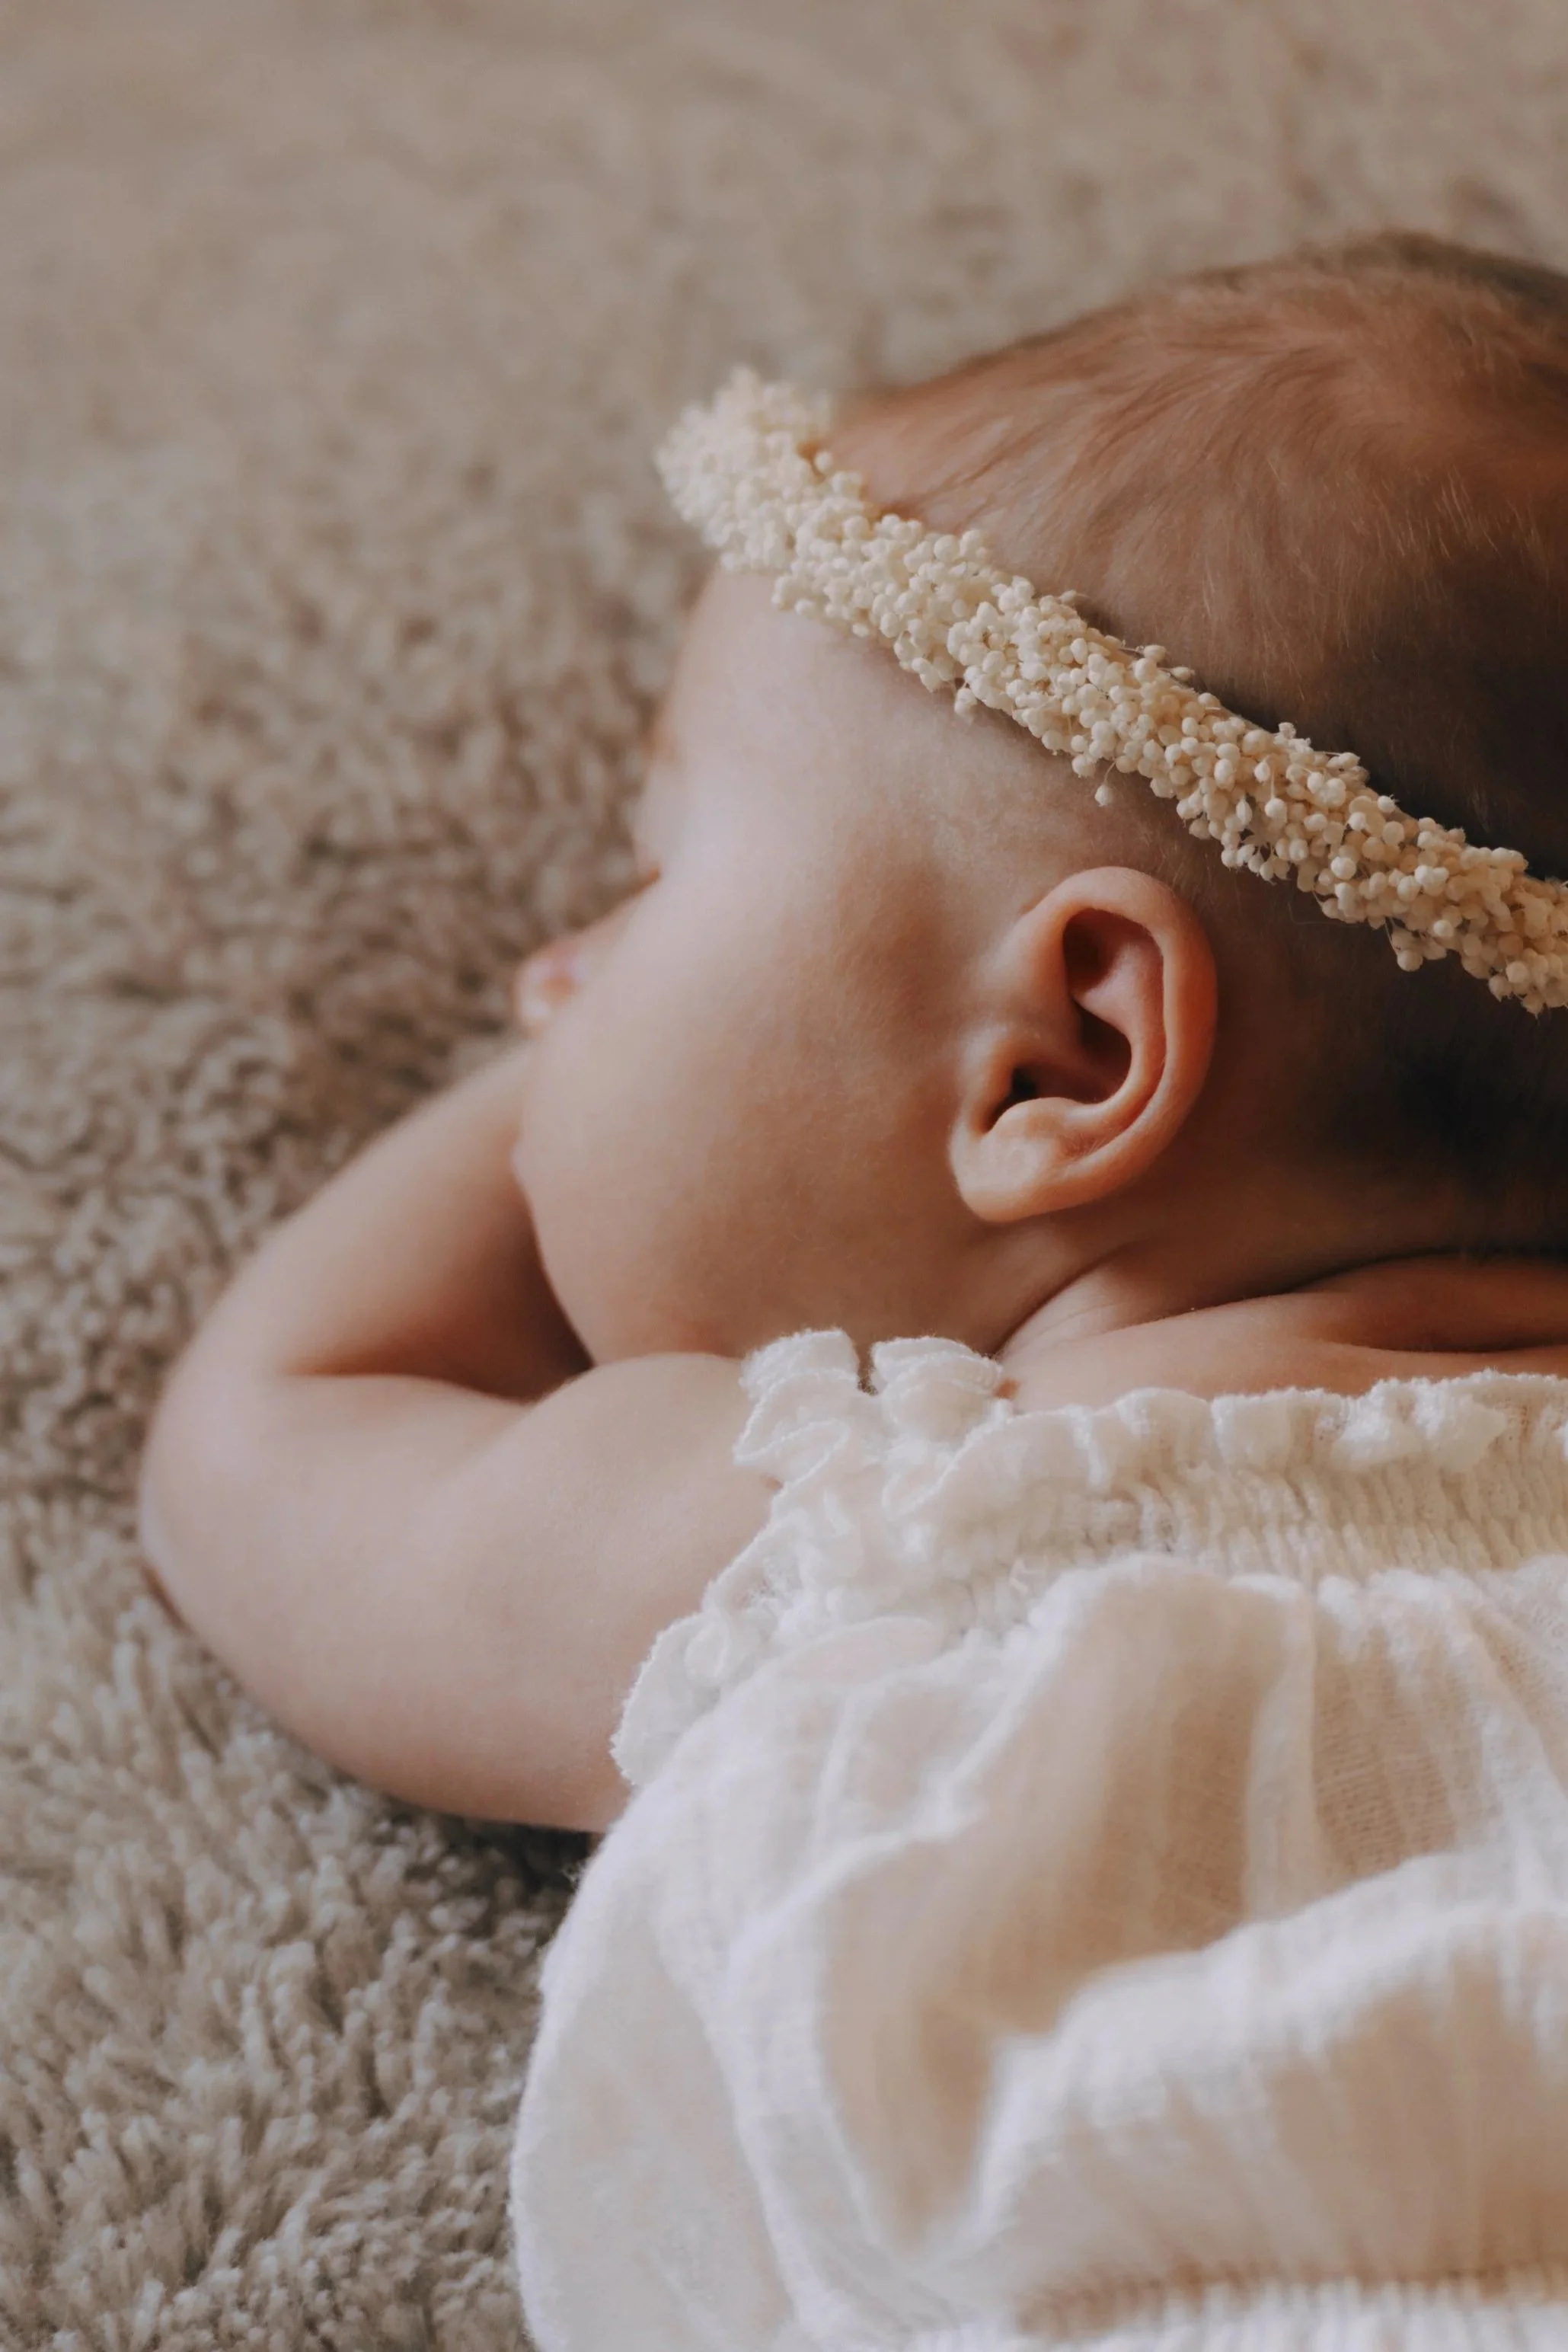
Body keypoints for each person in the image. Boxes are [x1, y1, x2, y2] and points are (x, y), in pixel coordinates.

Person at [140, 235, 1568, 2346]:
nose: (552, 977)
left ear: (1065, 1063)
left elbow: (282, 1428)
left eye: (649, 877)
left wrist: (562, 1102)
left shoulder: (896, 1528)